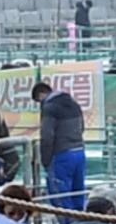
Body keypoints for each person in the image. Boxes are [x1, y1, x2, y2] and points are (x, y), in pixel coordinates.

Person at [35, 74, 88, 209]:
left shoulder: (49, 108)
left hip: (61, 155)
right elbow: (82, 127)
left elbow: (47, 136)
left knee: (60, 198)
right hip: (79, 152)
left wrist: (45, 160)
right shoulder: (74, 104)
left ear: (41, 94)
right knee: (78, 195)